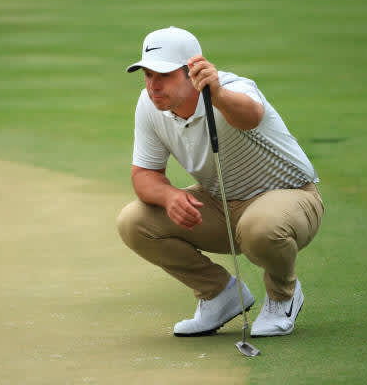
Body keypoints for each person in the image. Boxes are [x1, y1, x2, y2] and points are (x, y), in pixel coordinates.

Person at [117, 26, 324, 337]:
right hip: (223, 203)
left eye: (164, 75)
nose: (153, 85)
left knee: (260, 226)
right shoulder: (149, 105)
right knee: (134, 221)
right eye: (147, 75)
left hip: (291, 195)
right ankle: (218, 294)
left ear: (194, 71)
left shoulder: (233, 88)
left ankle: (283, 296)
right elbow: (144, 175)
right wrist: (170, 196)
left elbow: (250, 116)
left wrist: (218, 95)